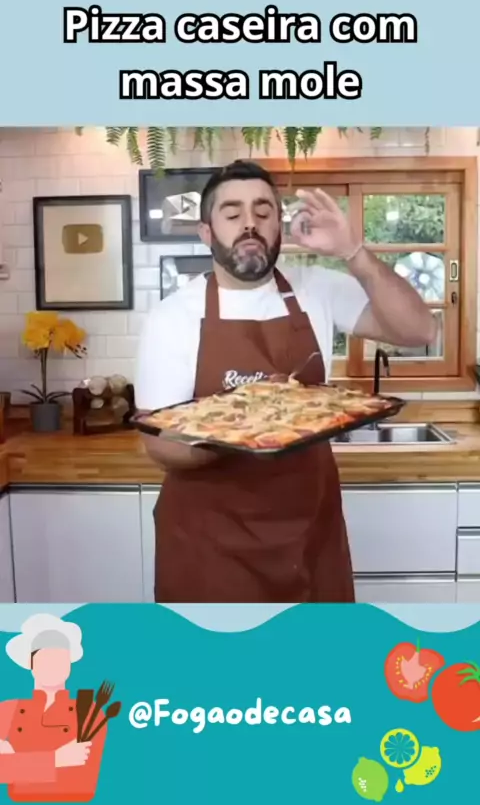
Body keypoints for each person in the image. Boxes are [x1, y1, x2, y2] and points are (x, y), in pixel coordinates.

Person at [135, 160, 435, 604]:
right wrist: (251, 424)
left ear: (279, 225)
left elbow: (419, 330)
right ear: (206, 233)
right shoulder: (172, 316)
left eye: (263, 211)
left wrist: (354, 252)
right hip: (211, 545)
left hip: (309, 533)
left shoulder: (317, 288)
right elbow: (160, 445)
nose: (250, 224)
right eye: (233, 214)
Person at [0, 613, 106, 802]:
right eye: (45, 658)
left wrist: (17, 763)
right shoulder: (7, 710)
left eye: (59, 659)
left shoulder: (90, 712)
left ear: (69, 665)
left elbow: (82, 783)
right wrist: (57, 759)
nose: (52, 665)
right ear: (31, 664)